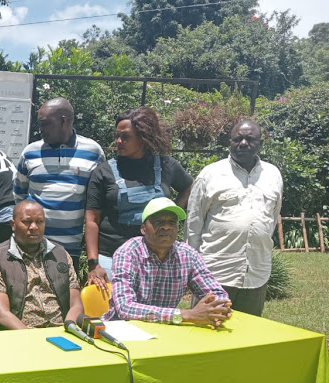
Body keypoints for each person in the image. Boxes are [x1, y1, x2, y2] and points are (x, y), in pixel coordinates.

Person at [85, 107, 193, 292]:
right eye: (117, 136)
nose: (118, 141)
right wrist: (94, 263)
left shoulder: (166, 166)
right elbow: (91, 220)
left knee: (155, 313)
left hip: (158, 257)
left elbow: (189, 187)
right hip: (111, 256)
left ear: (144, 137)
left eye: (125, 137)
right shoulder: (104, 171)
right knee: (111, 315)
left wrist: (173, 212)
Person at [186, 119, 283, 316]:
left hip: (256, 272)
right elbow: (193, 224)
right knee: (208, 333)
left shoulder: (273, 175)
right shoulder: (210, 174)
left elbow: (272, 217)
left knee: (249, 336)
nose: (244, 143)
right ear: (229, 142)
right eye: (238, 139)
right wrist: (192, 268)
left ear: (260, 144)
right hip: (215, 272)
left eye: (250, 139)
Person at [106, 197, 232, 327]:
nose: (166, 227)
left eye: (172, 222)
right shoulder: (128, 253)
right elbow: (125, 307)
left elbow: (217, 293)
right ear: (143, 229)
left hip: (166, 330)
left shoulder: (187, 254)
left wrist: (219, 308)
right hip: (123, 329)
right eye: (158, 222)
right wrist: (185, 315)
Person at [14, 97, 105, 270]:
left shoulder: (93, 152)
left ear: (64, 121)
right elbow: (19, 195)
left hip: (69, 251)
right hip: (31, 247)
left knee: (65, 296)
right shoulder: (30, 152)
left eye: (44, 123)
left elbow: (96, 201)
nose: (40, 129)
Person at [0, 200, 83, 329]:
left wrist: (69, 329)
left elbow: (76, 305)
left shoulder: (60, 255)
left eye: (39, 222)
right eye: (27, 222)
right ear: (13, 225)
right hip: (22, 335)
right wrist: (31, 338)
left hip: (62, 331)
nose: (34, 227)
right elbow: (1, 314)